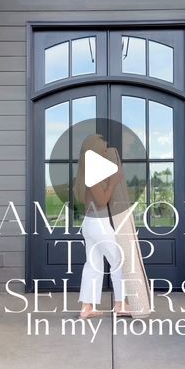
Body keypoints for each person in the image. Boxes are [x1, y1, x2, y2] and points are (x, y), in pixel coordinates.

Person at [73, 134, 132, 319]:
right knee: (119, 262)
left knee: (93, 265)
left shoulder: (85, 173)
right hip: (99, 223)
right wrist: (114, 181)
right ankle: (120, 305)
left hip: (90, 224)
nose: (107, 152)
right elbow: (101, 201)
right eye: (104, 150)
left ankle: (87, 307)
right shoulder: (92, 173)